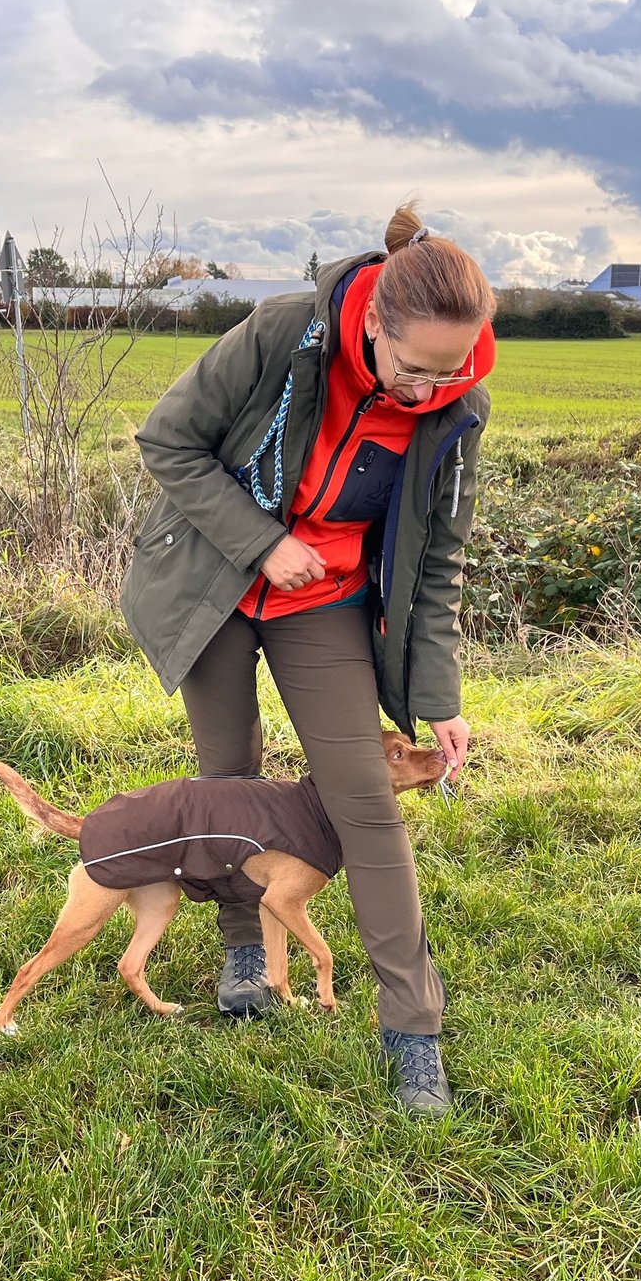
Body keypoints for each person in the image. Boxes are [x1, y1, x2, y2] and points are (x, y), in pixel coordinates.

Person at [120, 201, 496, 1117]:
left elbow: (439, 557)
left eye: (451, 374)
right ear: (373, 324)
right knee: (229, 777)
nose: (427, 394)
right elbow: (168, 440)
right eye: (414, 371)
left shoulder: (456, 405)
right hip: (215, 578)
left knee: (365, 807)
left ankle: (413, 1029)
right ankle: (245, 947)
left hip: (323, 601)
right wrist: (259, 542)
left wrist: (439, 696)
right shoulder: (289, 331)